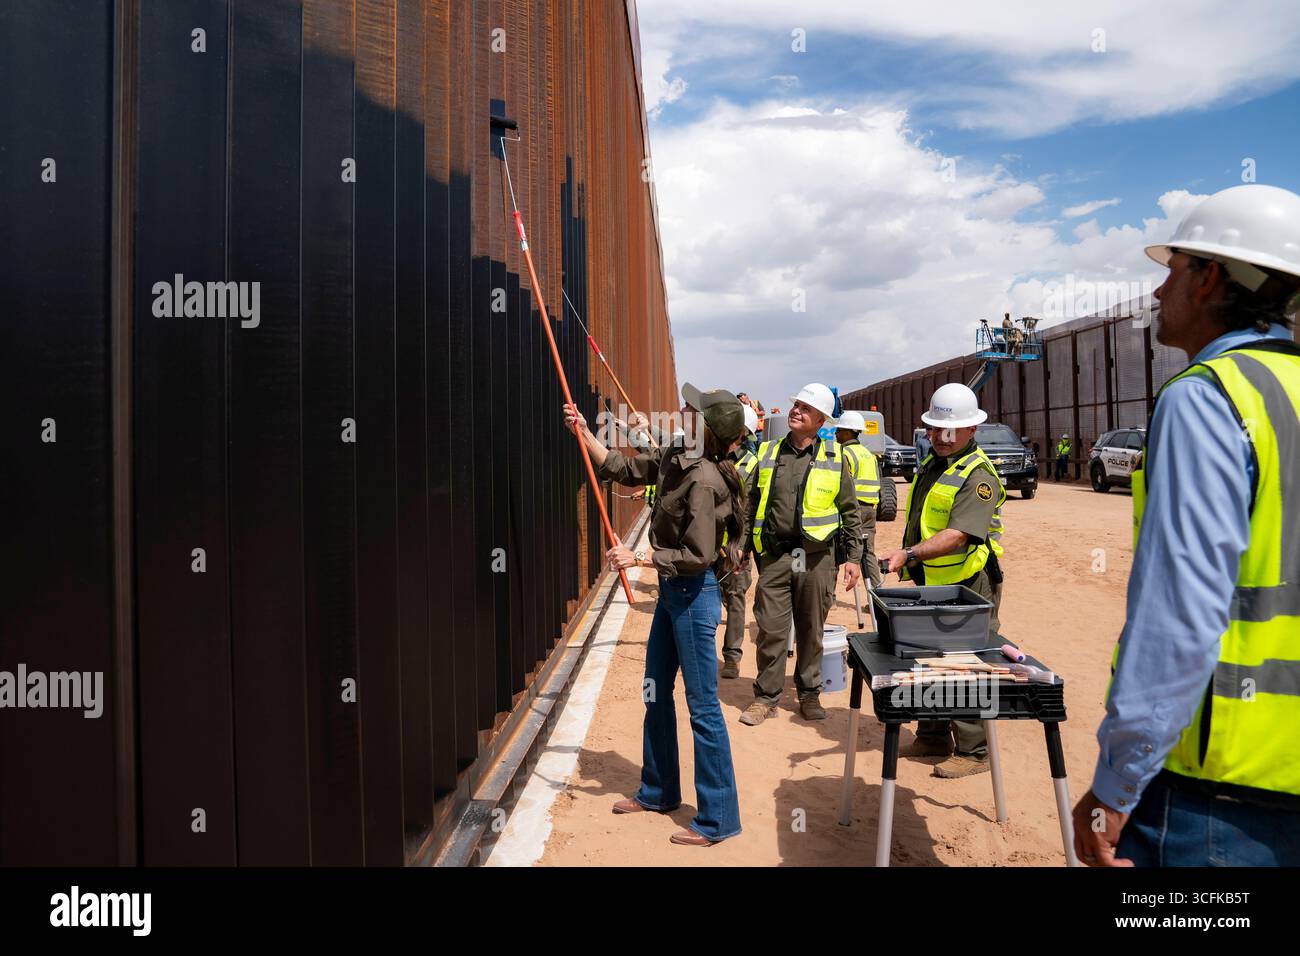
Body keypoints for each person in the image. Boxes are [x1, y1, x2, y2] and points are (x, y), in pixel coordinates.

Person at [1072, 183, 1300, 867]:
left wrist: (1118, 783)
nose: (1156, 291)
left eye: (1171, 269)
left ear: (1210, 278)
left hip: (1218, 792)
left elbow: (1180, 616)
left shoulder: (1209, 399)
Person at [564, 384, 748, 846]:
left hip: (692, 593)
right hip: (672, 594)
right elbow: (625, 468)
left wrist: (640, 560)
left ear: (706, 429)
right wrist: (585, 433)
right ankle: (659, 790)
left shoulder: (704, 480)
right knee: (654, 691)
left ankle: (717, 819)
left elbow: (699, 554)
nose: (682, 410)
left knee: (703, 707)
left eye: (692, 410)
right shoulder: (675, 457)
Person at [880, 382, 1007, 778]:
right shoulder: (935, 463)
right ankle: (933, 735)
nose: (939, 436)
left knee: (963, 663)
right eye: (934, 429)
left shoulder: (978, 475)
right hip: (933, 581)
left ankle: (973, 751)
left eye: (948, 430)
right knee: (929, 655)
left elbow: (958, 535)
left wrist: (909, 554)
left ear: (971, 430)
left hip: (969, 584)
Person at [739, 383, 862, 726]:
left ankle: (809, 693)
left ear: (821, 419)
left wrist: (852, 558)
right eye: (796, 406)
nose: (796, 411)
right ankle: (766, 697)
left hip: (816, 556)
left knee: (811, 629)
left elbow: (850, 512)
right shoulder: (768, 453)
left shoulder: (836, 458)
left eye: (805, 408)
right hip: (777, 556)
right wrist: (742, 545)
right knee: (772, 629)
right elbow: (749, 505)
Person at [718, 404, 761, 679]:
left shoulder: (752, 466)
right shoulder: (710, 458)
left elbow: (750, 512)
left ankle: (732, 656)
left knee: (735, 600)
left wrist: (740, 548)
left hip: (734, 547)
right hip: (706, 544)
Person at [834, 410, 882, 588]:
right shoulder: (868, 454)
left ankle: (827, 596)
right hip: (870, 509)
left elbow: (842, 485)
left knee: (838, 550)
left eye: (838, 430)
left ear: (848, 431)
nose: (836, 433)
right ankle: (877, 595)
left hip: (854, 511)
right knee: (868, 553)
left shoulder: (844, 453)